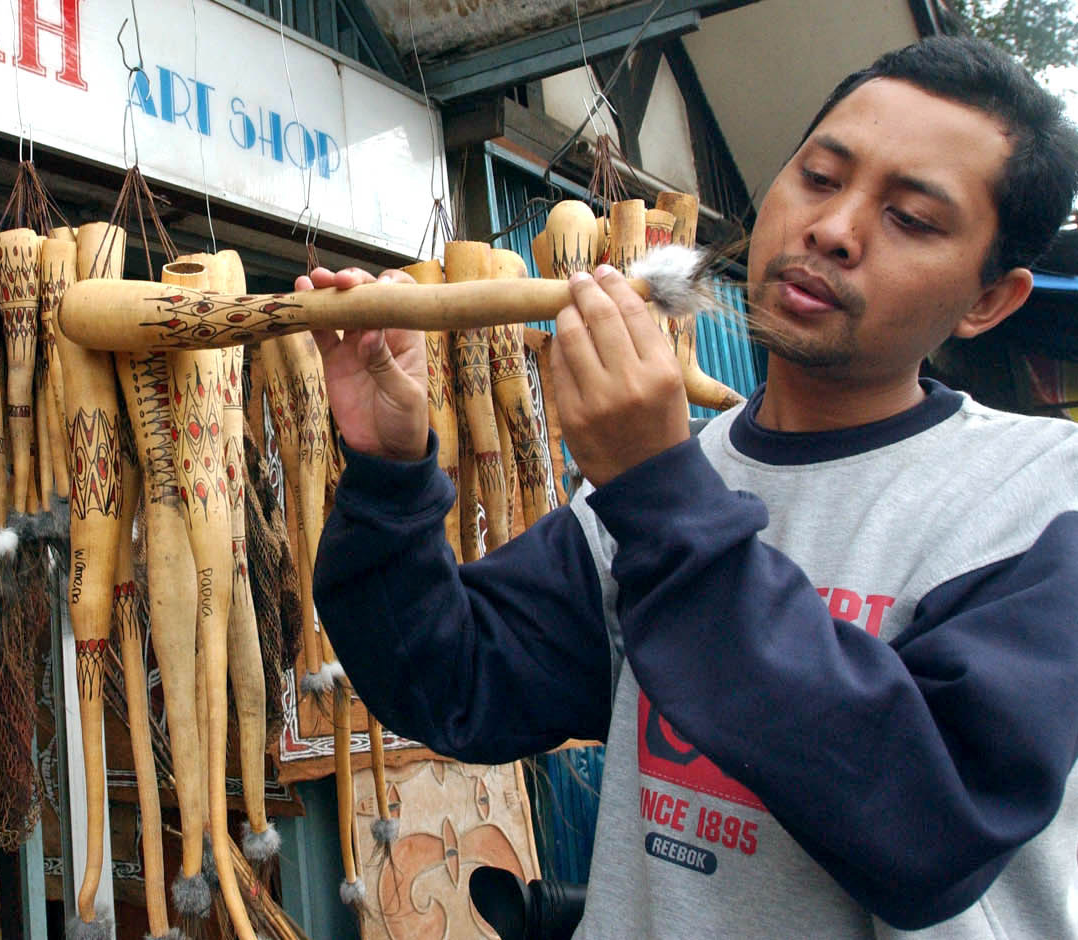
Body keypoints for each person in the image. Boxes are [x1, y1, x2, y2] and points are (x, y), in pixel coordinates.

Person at [305, 35, 1078, 937]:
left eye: (911, 218)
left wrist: (659, 494)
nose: (832, 229)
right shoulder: (660, 491)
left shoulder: (1036, 502)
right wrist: (392, 473)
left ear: (990, 300)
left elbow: (926, 830)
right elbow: (451, 684)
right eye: (820, 178)